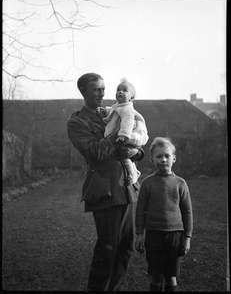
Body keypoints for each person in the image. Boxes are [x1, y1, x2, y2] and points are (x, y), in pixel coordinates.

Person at [67, 72, 144, 291]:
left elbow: (136, 139)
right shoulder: (77, 121)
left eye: (103, 88)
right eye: (96, 89)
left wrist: (137, 153)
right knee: (107, 248)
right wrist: (119, 133)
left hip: (126, 186)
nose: (102, 93)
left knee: (126, 246)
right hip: (104, 189)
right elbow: (95, 152)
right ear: (83, 92)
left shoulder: (116, 110)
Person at [135, 137, 193, 292]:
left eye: (167, 156)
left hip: (175, 236)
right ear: (151, 160)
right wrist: (139, 234)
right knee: (156, 275)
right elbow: (140, 210)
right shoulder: (147, 183)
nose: (163, 160)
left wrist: (187, 238)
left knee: (171, 276)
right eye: (159, 156)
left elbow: (187, 212)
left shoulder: (180, 183)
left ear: (174, 158)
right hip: (153, 235)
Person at [103, 78, 149, 185]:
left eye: (124, 90)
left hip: (124, 138)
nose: (120, 92)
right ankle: (133, 171)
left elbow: (127, 123)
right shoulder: (119, 107)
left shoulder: (128, 110)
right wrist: (105, 110)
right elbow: (114, 111)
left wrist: (123, 135)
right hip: (118, 139)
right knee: (123, 154)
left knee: (124, 155)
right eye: (118, 89)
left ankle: (133, 173)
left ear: (131, 98)